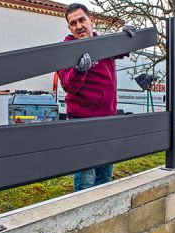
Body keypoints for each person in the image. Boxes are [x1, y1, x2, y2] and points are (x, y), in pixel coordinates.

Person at [57, 3, 128, 192]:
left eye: (82, 20)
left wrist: (129, 35)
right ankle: (82, 218)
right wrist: (79, 70)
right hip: (82, 122)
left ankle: (100, 217)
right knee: (86, 178)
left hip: (107, 121)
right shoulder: (64, 51)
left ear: (91, 21)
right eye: (73, 23)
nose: (78, 26)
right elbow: (69, 85)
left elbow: (125, 48)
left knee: (105, 174)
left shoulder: (105, 45)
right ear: (69, 28)